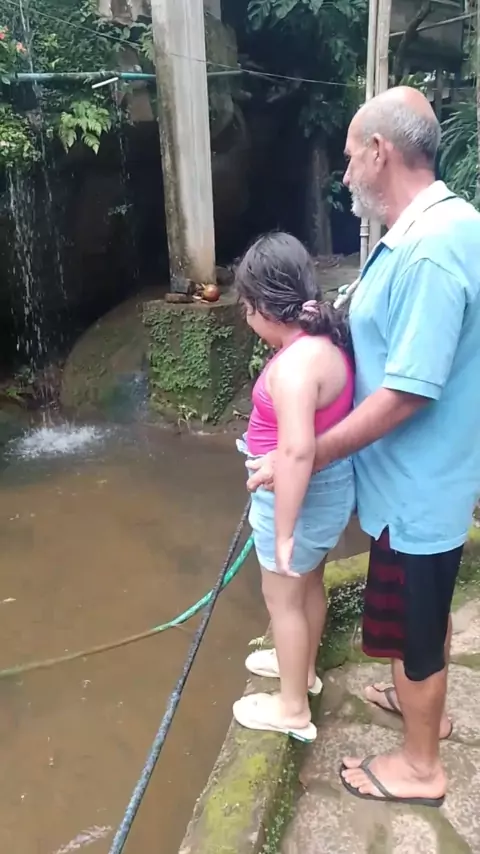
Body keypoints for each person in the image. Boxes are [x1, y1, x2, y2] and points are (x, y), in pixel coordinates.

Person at [246, 86, 480, 806]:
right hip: (415, 484)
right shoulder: (431, 228)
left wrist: (309, 452)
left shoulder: (432, 249)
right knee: (421, 617)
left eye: (350, 158)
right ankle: (418, 710)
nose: (345, 174)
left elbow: (408, 391)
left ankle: (420, 766)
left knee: (417, 630)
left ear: (380, 152)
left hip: (418, 490)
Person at [232, 232, 355, 743]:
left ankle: (292, 708)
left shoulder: (295, 367)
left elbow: (299, 452)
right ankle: (300, 671)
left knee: (282, 600)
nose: (246, 318)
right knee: (308, 585)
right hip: (329, 490)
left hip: (300, 498)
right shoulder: (324, 341)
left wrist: (283, 530)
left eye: (246, 308)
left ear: (264, 307)